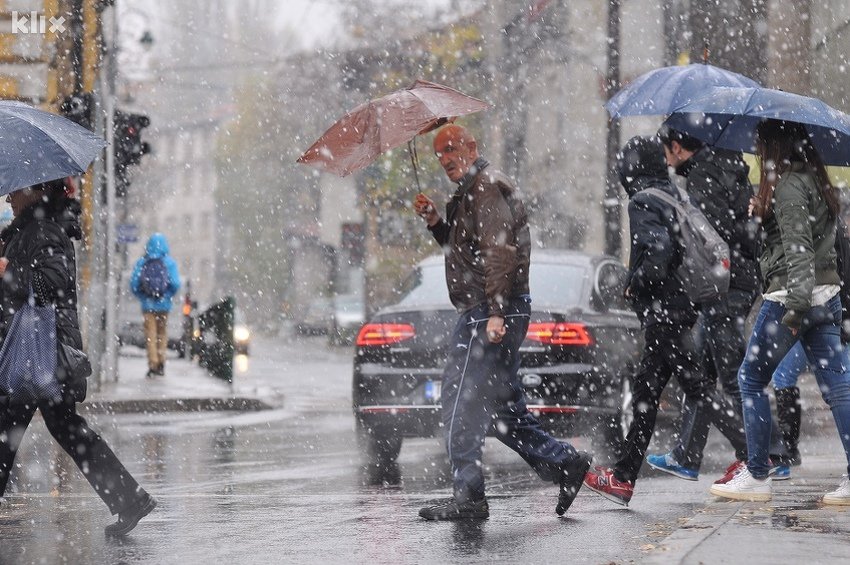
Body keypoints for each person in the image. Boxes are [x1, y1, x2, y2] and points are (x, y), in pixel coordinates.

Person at [413, 124, 591, 520]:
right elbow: (463, 253)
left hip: (488, 312)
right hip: (497, 309)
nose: (444, 159)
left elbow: (499, 252)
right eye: (439, 153)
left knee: (460, 400)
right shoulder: (472, 191)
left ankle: (470, 497)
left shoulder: (486, 187)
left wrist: (494, 311)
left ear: (472, 147)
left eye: (451, 149)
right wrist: (434, 222)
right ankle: (566, 464)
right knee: (504, 412)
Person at [583, 136, 745, 506]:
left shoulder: (643, 201)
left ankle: (754, 456)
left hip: (663, 312)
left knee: (697, 386)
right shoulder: (670, 195)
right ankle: (622, 478)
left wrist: (633, 282)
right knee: (647, 393)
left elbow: (657, 253)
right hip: (677, 306)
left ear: (632, 168)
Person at [0, 180, 157, 535]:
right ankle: (130, 499)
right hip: (37, 350)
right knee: (64, 427)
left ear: (38, 190)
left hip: (39, 350)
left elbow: (49, 286)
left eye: (17, 189)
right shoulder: (32, 231)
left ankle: (131, 499)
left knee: (9, 425)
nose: (9, 196)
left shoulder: (44, 232)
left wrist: (7, 271)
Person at [710, 119, 850, 504]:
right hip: (826, 296)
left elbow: (799, 252)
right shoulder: (812, 180)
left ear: (775, 145)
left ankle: (757, 474)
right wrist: (764, 214)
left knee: (750, 379)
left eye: (760, 142)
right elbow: (813, 240)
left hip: (794, 297)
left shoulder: (788, 186)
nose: (756, 148)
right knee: (838, 389)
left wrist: (793, 312)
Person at [647, 126, 787, 482]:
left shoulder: (704, 175)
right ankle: (686, 456)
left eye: (666, 151)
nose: (665, 159)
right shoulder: (729, 165)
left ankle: (771, 454)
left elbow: (715, 234)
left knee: (736, 375)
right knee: (703, 376)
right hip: (738, 279)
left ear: (677, 147)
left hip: (723, 285)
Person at [130, 233, 180, 377]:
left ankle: (153, 364)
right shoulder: (169, 263)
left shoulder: (142, 262)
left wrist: (144, 296)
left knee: (150, 335)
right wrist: (166, 295)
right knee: (162, 334)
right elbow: (176, 283)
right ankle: (162, 362)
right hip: (164, 306)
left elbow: (133, 284)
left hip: (148, 306)